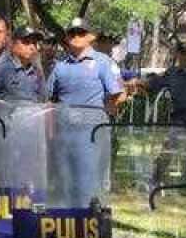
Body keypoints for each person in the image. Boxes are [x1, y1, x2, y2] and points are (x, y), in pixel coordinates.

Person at [47, 18, 127, 207]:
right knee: (64, 178)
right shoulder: (60, 66)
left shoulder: (103, 62)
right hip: (64, 132)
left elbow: (119, 95)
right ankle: (65, 218)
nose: (76, 36)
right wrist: (50, 130)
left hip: (92, 133)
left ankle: (91, 218)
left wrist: (101, 114)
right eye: (72, 33)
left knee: (90, 179)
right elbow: (48, 99)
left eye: (81, 32)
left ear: (91, 36)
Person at [138, 41, 186, 185]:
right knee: (168, 150)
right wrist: (137, 82)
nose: (184, 57)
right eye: (182, 54)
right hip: (178, 119)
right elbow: (153, 83)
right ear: (177, 55)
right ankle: (155, 180)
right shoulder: (171, 73)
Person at [0, 28, 46, 101]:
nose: (32, 47)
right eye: (26, 42)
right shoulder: (1, 68)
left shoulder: (37, 72)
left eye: (34, 43)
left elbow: (43, 100)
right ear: (13, 44)